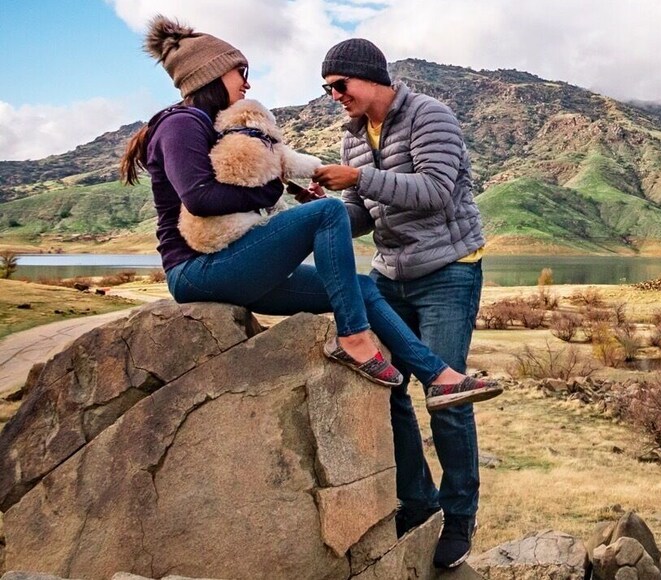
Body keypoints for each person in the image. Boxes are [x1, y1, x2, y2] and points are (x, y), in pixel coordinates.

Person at [119, 16, 497, 403]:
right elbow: (200, 198)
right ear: (210, 75)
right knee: (327, 214)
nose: (246, 84)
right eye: (240, 72)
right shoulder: (182, 123)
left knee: (362, 286)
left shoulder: (209, 124)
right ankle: (352, 338)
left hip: (232, 263)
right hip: (197, 270)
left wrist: (307, 210)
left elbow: (414, 196)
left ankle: (437, 376)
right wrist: (274, 190)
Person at [312, 38, 496, 569]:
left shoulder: (429, 115)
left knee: (448, 396)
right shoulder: (351, 139)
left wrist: (360, 178)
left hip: (449, 271)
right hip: (389, 274)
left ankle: (459, 517)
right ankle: (418, 505)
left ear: (369, 75)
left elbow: (436, 191)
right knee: (387, 387)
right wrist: (322, 210)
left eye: (339, 85)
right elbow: (361, 216)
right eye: (327, 90)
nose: (334, 96)